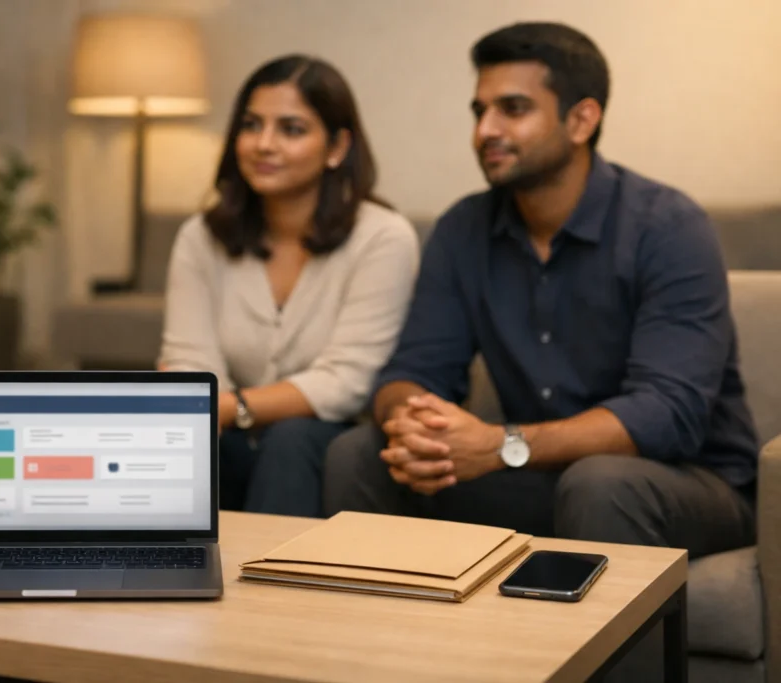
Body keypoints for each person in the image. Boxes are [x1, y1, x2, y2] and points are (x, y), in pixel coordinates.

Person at [324, 22, 758, 559]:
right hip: (539, 472)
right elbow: (414, 369)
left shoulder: (669, 227)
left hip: (687, 486)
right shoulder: (464, 229)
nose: (485, 130)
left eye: (513, 108)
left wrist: (502, 444)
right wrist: (417, 425)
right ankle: (370, 644)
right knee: (360, 453)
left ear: (581, 120)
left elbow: (666, 413)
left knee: (601, 484)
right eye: (479, 111)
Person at [159, 54, 419, 517]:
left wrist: (226, 408)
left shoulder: (383, 238)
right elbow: (188, 360)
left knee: (290, 438)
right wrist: (204, 408)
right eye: (251, 125)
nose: (264, 144)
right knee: (179, 441)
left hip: (330, 439)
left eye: (291, 129)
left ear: (337, 146)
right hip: (229, 436)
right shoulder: (201, 237)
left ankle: (268, 586)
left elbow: (346, 383)